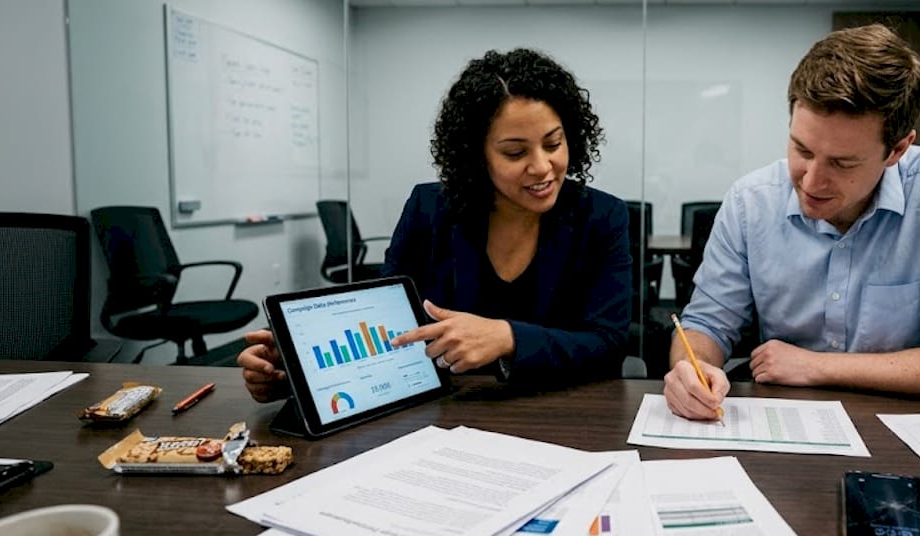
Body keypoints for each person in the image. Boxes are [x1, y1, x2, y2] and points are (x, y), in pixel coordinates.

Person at [664, 24, 920, 420]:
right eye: (802, 149)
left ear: (897, 149)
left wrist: (816, 366)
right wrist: (690, 367)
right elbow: (707, 324)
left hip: (906, 426)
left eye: (842, 163)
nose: (811, 181)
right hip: (787, 424)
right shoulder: (751, 202)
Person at [240, 48, 632, 401]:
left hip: (564, 414)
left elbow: (610, 344)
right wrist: (295, 371)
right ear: (476, 156)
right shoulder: (430, 209)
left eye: (553, 144)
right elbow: (383, 326)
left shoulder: (601, 217)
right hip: (443, 413)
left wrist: (509, 338)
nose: (543, 167)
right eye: (515, 152)